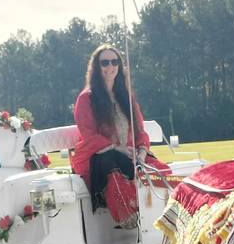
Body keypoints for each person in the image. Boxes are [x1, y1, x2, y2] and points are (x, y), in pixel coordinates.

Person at [72, 44, 169, 228]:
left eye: (115, 61)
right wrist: (117, 147)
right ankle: (130, 218)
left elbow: (140, 130)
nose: (110, 66)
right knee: (114, 170)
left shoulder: (126, 97)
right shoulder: (86, 98)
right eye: (105, 62)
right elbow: (88, 133)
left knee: (160, 170)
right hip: (99, 153)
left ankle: (164, 213)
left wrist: (141, 153)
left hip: (131, 151)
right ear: (96, 67)